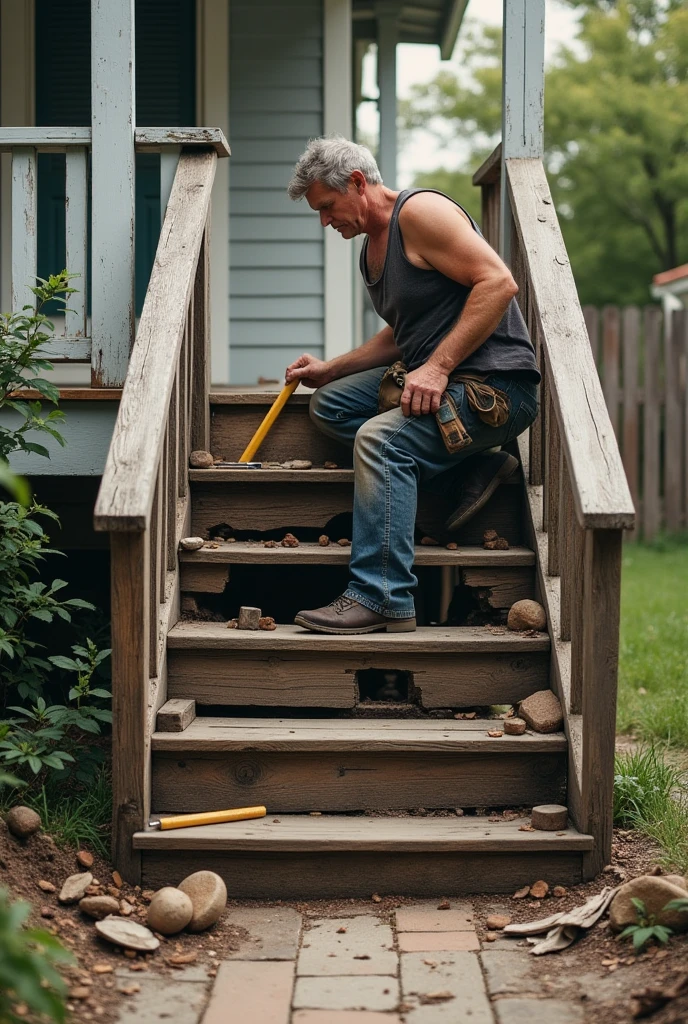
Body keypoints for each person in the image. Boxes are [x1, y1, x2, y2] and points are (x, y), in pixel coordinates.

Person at [284, 136, 539, 635]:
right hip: (446, 381)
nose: (324, 221)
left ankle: (382, 597)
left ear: (358, 183)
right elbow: (404, 333)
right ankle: (472, 468)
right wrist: (330, 369)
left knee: (380, 441)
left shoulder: (419, 214)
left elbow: (498, 282)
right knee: (331, 406)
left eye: (328, 207)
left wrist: (438, 367)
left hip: (496, 387)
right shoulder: (370, 249)